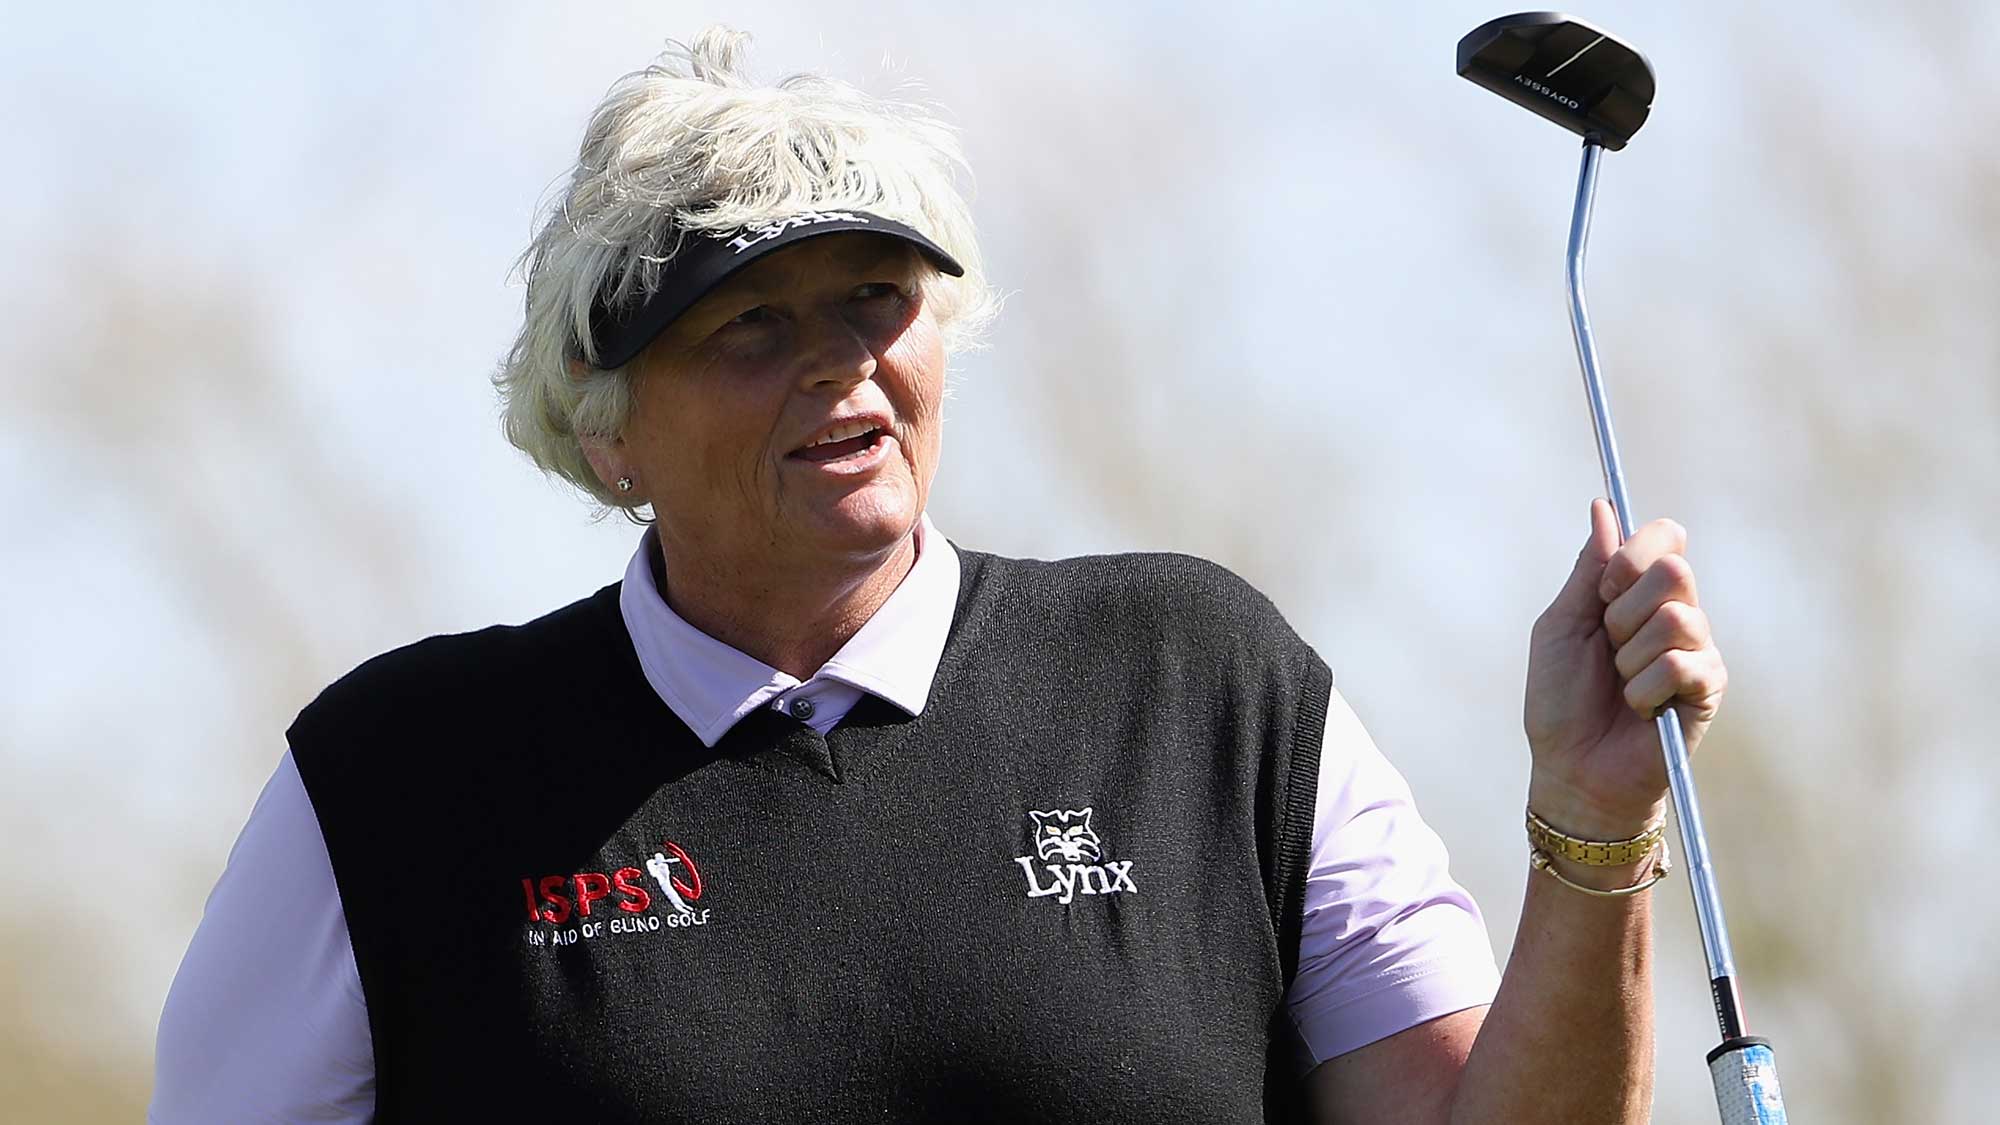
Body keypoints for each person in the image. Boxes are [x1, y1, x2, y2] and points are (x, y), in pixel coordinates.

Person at [151, 28, 1726, 1124]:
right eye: (747, 327)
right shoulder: (390, 778)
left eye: (873, 301)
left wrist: (1596, 824)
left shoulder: (1200, 678)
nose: (838, 370)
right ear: (606, 428)